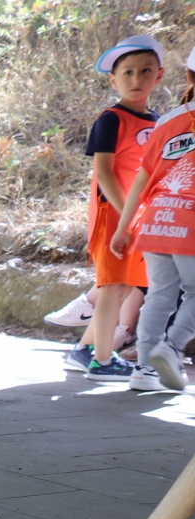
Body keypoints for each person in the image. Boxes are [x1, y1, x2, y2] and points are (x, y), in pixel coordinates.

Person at [77, 34, 165, 382]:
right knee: (112, 285)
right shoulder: (111, 119)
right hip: (112, 214)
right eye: (127, 72)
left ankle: (84, 351)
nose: (136, 79)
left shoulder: (160, 122)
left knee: (128, 283)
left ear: (159, 75)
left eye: (146, 71)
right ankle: (101, 361)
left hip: (138, 215)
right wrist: (125, 219)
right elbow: (104, 172)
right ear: (113, 80)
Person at [111, 47, 195, 393]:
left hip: (157, 219)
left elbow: (143, 179)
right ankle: (171, 348)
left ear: (188, 76)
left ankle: (145, 370)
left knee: (160, 294)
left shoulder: (168, 120)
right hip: (190, 222)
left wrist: (123, 227)